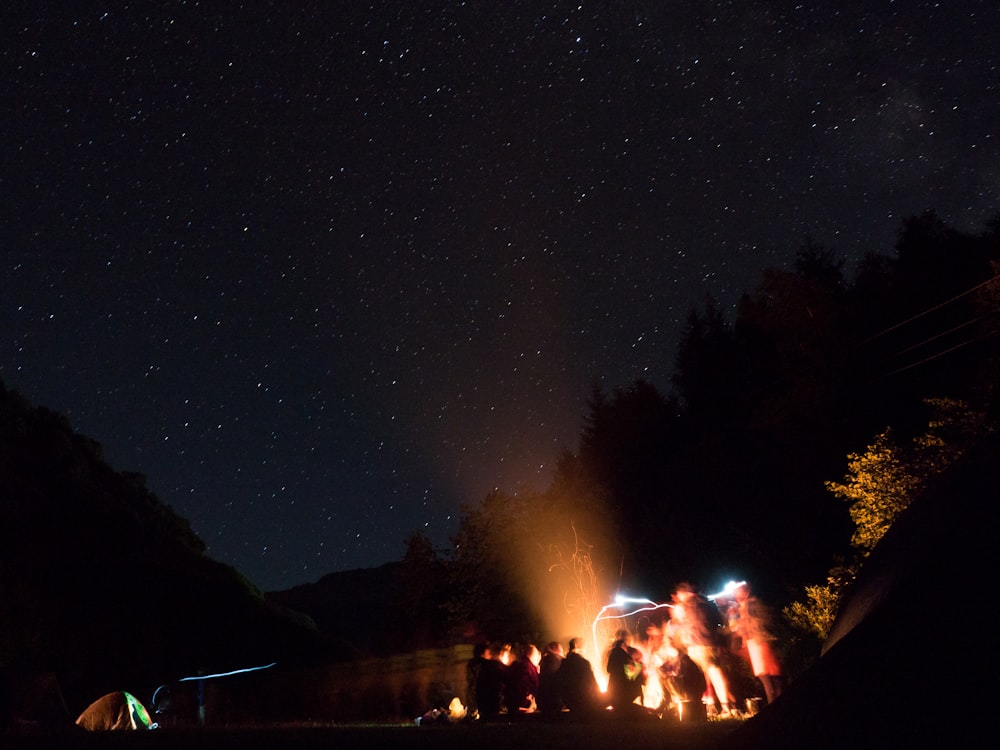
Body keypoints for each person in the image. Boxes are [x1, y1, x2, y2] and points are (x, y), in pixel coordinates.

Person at [671, 583, 737, 717]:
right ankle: (722, 706)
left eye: (679, 594)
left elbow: (681, 626)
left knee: (709, 676)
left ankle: (723, 708)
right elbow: (719, 622)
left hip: (697, 646)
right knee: (714, 675)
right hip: (711, 644)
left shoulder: (684, 607)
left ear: (686, 593)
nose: (678, 596)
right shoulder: (708, 605)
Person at [728, 582, 784, 704]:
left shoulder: (752, 604)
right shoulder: (745, 606)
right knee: (770, 675)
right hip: (755, 641)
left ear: (745, 591)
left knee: (766, 674)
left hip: (758, 641)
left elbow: (760, 621)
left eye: (737, 591)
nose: (735, 594)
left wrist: (741, 625)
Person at [558, 637, 602, 717]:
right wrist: (600, 697)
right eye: (584, 647)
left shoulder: (564, 663)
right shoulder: (583, 663)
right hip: (584, 700)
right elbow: (593, 684)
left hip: (569, 701)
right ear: (579, 648)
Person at [605, 628, 644, 715]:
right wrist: (637, 666)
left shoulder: (619, 651)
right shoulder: (618, 652)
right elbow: (627, 674)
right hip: (621, 692)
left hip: (617, 691)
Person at [474, 644, 508, 721]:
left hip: (480, 702)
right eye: (488, 653)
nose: (489, 655)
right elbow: (507, 677)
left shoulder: (476, 666)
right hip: (492, 702)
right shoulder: (493, 665)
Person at [504, 643, 541, 714]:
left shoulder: (515, 664)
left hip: (511, 703)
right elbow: (529, 685)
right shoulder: (529, 667)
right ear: (534, 656)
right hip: (524, 705)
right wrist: (529, 701)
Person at [536, 641, 565, 715]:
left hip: (542, 701)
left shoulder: (543, 661)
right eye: (561, 649)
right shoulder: (557, 661)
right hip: (555, 701)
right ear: (556, 649)